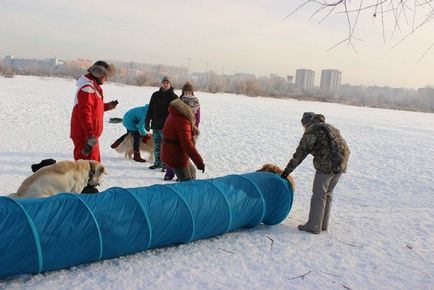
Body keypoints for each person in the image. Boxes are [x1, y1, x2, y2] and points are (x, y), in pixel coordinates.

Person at [281, 112, 350, 234]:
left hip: (326, 165)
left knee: (319, 195)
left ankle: (313, 225)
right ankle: (323, 224)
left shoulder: (312, 130)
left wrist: (285, 173)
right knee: (327, 194)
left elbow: (300, 154)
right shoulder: (329, 127)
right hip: (341, 163)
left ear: (306, 123)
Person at [70, 60, 118, 162]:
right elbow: (85, 114)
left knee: (93, 166)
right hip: (86, 137)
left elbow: (93, 108)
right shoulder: (87, 89)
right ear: (98, 74)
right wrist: (90, 135)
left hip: (90, 136)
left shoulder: (93, 87)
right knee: (87, 169)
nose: (106, 79)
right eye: (105, 76)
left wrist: (106, 106)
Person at [161, 96, 204, 182]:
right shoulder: (182, 120)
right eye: (195, 109)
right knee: (186, 182)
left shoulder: (178, 114)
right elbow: (187, 144)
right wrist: (199, 162)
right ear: (188, 108)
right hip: (175, 156)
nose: (196, 112)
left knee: (192, 172)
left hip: (177, 153)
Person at [145, 76, 178, 170]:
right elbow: (150, 109)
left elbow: (175, 114)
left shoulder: (174, 97)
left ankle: (165, 165)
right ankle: (157, 163)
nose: (165, 84)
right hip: (155, 125)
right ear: (161, 84)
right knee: (156, 145)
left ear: (170, 84)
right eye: (164, 82)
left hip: (167, 127)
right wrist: (147, 121)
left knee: (166, 147)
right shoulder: (155, 95)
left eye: (167, 82)